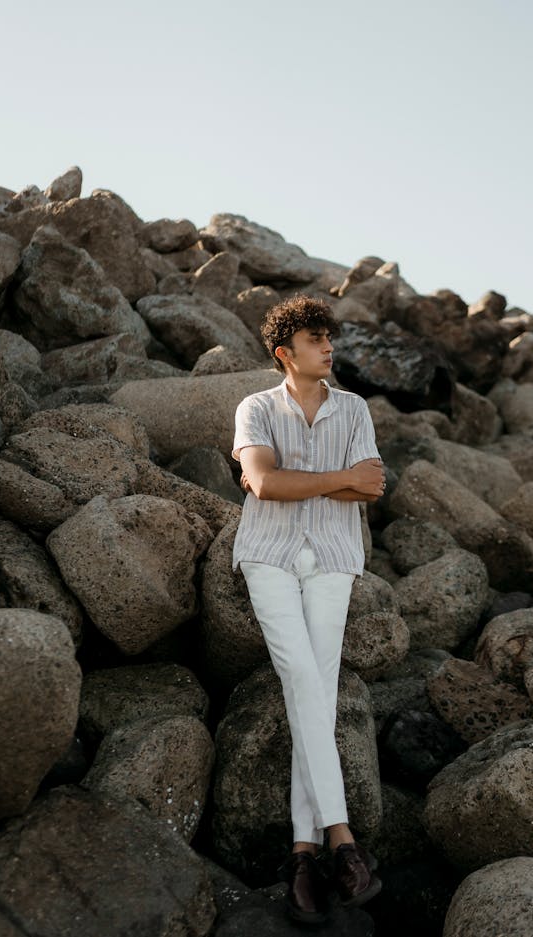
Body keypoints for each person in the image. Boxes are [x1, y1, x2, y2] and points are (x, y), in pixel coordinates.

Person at [231, 293, 385, 923]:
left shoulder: (354, 410)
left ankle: (301, 856)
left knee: (314, 690)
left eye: (330, 337)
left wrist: (299, 479)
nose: (329, 347)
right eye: (316, 338)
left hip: (332, 555)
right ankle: (343, 842)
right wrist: (331, 479)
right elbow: (265, 484)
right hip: (268, 552)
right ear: (284, 353)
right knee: (301, 677)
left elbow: (371, 485)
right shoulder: (255, 407)